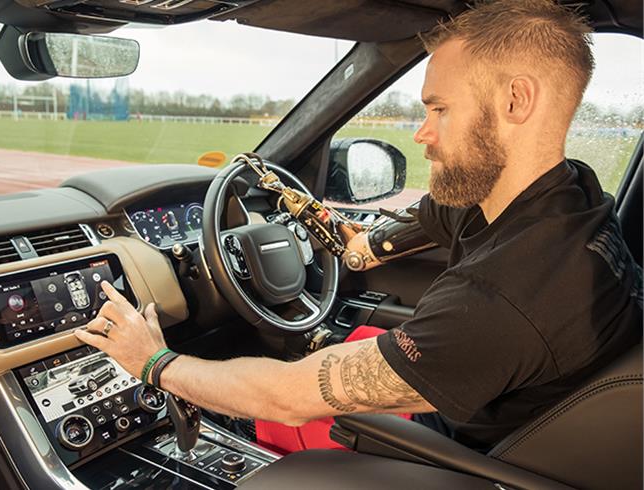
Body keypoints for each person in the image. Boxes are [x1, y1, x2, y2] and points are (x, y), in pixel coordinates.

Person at [75, 0, 642, 452]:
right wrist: (362, 246)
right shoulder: (567, 194)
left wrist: (153, 362)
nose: (422, 133)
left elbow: (291, 397)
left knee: (273, 415)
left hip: (451, 453)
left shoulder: (504, 300)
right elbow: (431, 218)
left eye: (439, 109)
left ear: (517, 100)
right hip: (505, 402)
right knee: (357, 342)